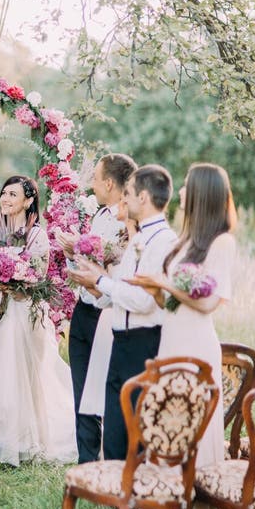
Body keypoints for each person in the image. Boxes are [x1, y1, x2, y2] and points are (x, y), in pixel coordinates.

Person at [126, 163, 237, 509]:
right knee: (164, 423)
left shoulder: (221, 243)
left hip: (195, 344)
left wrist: (164, 283)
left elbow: (207, 303)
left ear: (203, 193)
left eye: (188, 187)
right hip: (172, 337)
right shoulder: (186, 240)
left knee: (190, 426)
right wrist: (153, 288)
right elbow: (172, 299)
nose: (182, 192)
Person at [0, 176, 78, 466]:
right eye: (3, 193)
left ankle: (26, 440)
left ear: (28, 200)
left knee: (22, 375)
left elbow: (39, 277)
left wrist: (17, 280)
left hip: (23, 313)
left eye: (13, 194)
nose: (6, 198)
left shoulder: (38, 237)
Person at [72, 165, 176, 461]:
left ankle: (135, 502)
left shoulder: (163, 242)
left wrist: (101, 281)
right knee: (116, 428)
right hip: (121, 339)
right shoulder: (139, 239)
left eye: (128, 194)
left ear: (143, 197)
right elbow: (121, 290)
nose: (124, 201)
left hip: (143, 343)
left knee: (134, 428)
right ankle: (120, 497)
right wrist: (97, 289)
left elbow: (145, 301)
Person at [56, 153, 136, 462]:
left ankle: (113, 459)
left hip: (109, 313)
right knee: (82, 389)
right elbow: (86, 264)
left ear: (109, 183)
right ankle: (86, 462)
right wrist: (71, 250)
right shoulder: (100, 215)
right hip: (84, 310)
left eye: (95, 178)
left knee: (109, 390)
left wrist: (80, 249)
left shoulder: (128, 221)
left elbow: (117, 272)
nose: (91, 184)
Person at [77, 193, 139, 430]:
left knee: (117, 405)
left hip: (127, 326)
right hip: (108, 317)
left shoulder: (140, 245)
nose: (120, 205)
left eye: (126, 199)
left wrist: (98, 280)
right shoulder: (123, 240)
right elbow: (108, 297)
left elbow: (129, 294)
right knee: (103, 400)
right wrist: (92, 284)